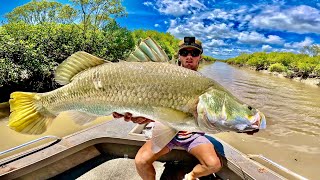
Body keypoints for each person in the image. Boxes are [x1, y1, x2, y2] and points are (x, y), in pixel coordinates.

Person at [112, 37, 222, 180]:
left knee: (214, 164)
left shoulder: (208, 87)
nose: (189, 57)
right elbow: (155, 108)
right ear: (179, 56)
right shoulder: (162, 79)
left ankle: (192, 175)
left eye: (194, 53)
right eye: (184, 53)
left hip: (193, 136)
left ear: (199, 57)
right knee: (141, 161)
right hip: (166, 133)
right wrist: (141, 116)